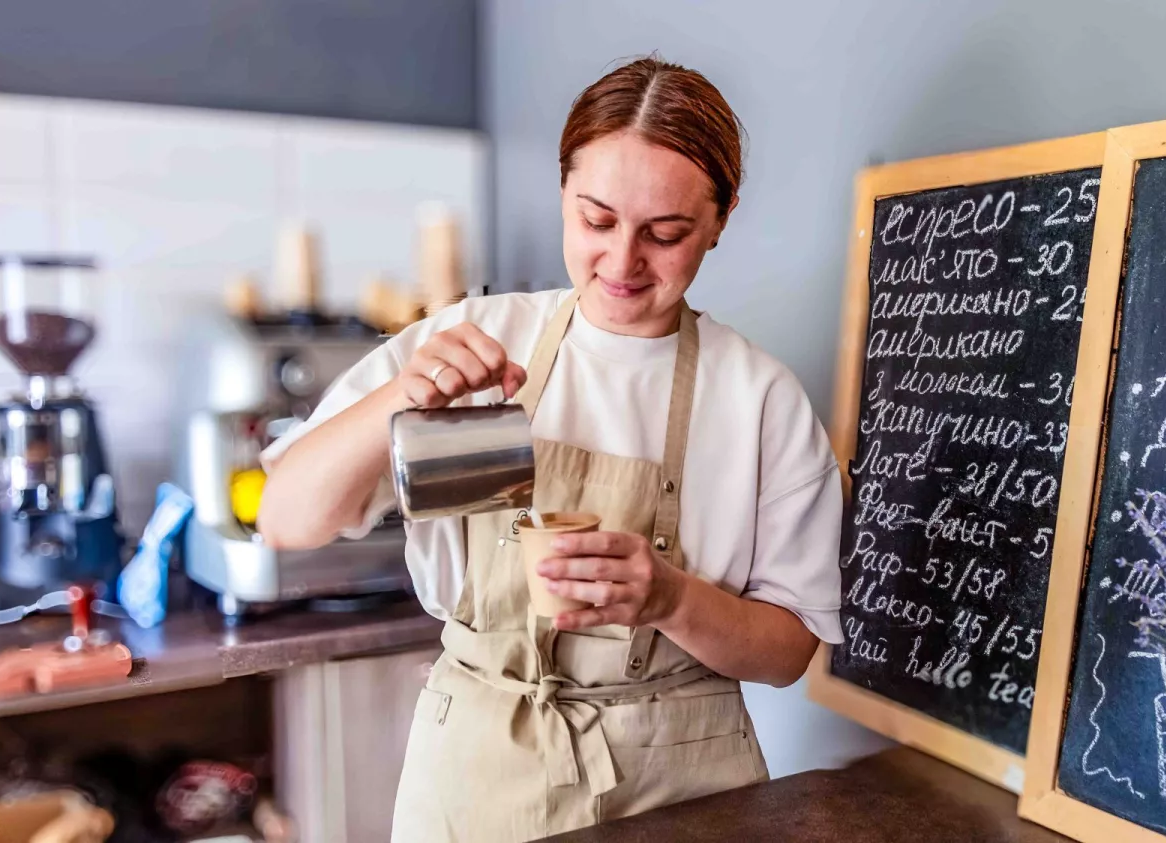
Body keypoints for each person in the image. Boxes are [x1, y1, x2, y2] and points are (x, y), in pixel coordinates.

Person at [256, 55, 844, 842]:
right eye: (595, 219)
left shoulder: (760, 398)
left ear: (720, 218)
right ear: (563, 191)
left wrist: (669, 598)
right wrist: (400, 397)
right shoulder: (472, 341)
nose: (623, 261)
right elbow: (288, 517)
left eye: (665, 234)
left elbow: (786, 652)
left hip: (686, 784)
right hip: (478, 776)